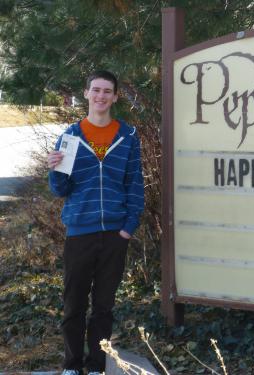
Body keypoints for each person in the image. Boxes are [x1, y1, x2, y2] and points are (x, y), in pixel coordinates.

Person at [47, 70, 144, 375]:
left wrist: (128, 227)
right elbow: (61, 189)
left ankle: (97, 365)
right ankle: (72, 366)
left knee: (103, 307)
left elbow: (135, 185)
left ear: (115, 96)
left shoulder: (128, 136)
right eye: (96, 90)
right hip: (80, 233)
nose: (101, 96)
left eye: (107, 91)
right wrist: (54, 169)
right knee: (73, 305)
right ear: (86, 93)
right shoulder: (70, 137)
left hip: (115, 234)